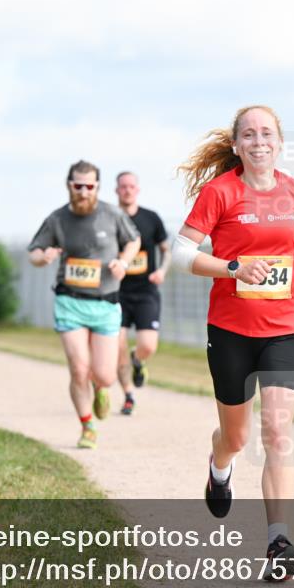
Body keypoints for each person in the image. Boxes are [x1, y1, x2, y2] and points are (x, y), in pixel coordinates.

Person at [172, 105, 294, 581]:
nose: (258, 141)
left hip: (285, 327)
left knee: (277, 432)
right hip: (230, 330)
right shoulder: (220, 191)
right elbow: (180, 251)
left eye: (266, 133)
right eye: (249, 134)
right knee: (237, 436)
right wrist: (232, 267)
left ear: (280, 141)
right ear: (236, 145)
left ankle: (279, 540)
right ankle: (219, 466)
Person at [27, 160, 141, 449]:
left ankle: (102, 389)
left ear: (97, 187)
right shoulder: (57, 219)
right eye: (78, 186)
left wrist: (123, 262)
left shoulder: (112, 214)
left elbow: (134, 241)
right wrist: (44, 257)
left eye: (89, 186)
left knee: (103, 374)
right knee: (79, 368)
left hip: (105, 304)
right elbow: (34, 252)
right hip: (70, 302)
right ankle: (87, 425)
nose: (83, 191)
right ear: (69, 185)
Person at [114, 171, 170, 415]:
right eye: (123, 186)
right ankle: (128, 395)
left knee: (148, 345)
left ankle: (138, 360)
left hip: (146, 290)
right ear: (117, 190)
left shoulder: (151, 218)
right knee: (118, 346)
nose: (127, 190)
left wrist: (162, 270)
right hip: (117, 293)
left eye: (131, 186)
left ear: (137, 190)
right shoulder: (110, 218)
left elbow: (166, 250)